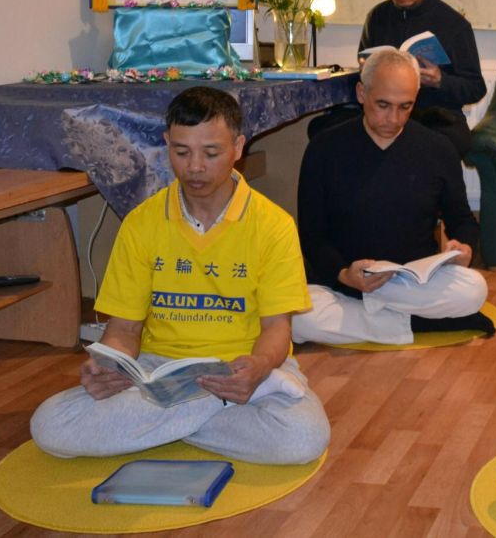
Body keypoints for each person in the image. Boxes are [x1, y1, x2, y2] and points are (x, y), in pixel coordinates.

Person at [30, 87, 329, 464]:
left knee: (303, 437)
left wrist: (258, 367)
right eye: (181, 151)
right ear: (166, 144)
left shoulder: (273, 225)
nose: (195, 167)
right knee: (50, 424)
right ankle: (200, 414)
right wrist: (109, 366)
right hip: (159, 371)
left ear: (238, 147)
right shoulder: (141, 223)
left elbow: (276, 329)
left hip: (244, 368)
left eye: (211, 153)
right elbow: (124, 331)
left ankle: (160, 425)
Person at [291, 46, 492, 346]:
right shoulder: (324, 149)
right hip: (345, 282)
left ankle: (378, 319)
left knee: (474, 288)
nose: (394, 118)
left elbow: (462, 220)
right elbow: (312, 236)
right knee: (299, 315)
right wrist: (344, 274)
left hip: (411, 285)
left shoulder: (438, 149)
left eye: (405, 106)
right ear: (362, 93)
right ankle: (416, 323)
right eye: (383, 105)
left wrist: (464, 248)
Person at [356, 0, 486, 157]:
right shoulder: (377, 18)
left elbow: (475, 88)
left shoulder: (453, 23)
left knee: (443, 142)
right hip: (384, 111)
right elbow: (363, 70)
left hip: (435, 115)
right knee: (328, 128)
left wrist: (440, 81)